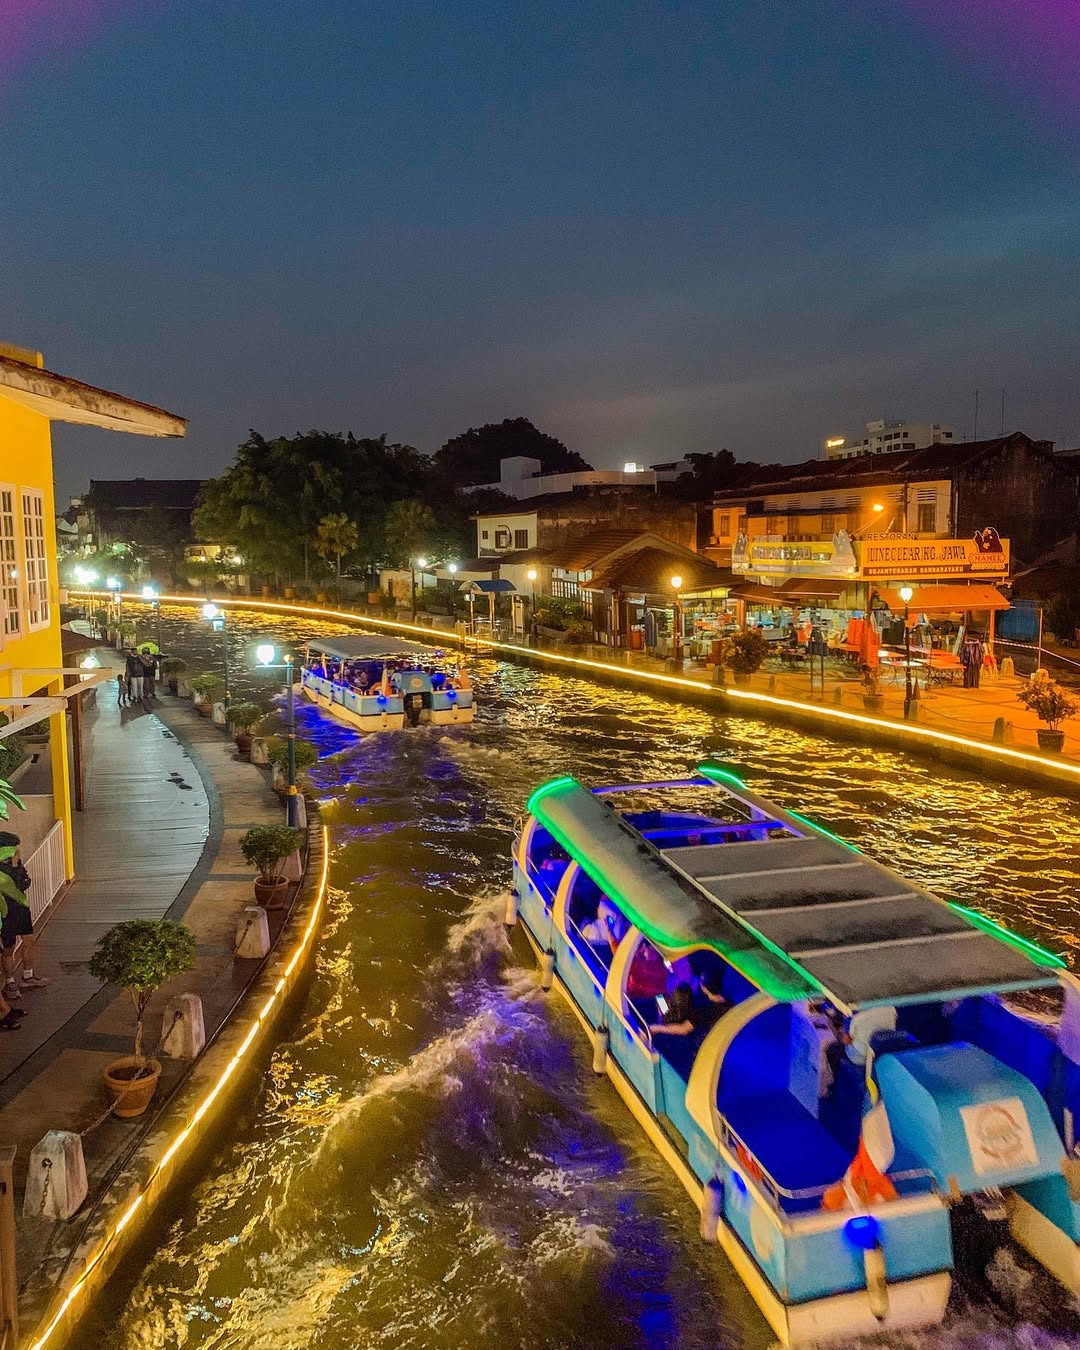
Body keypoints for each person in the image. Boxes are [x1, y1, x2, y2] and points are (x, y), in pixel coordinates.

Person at [0, 832, 48, 1004]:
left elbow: (25, 882)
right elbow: (13, 884)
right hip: (5, 913)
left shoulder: (16, 864)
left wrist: (16, 868)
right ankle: (10, 982)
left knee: (29, 941)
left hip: (21, 909)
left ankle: (28, 976)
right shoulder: (7, 868)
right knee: (8, 949)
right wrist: (14, 868)